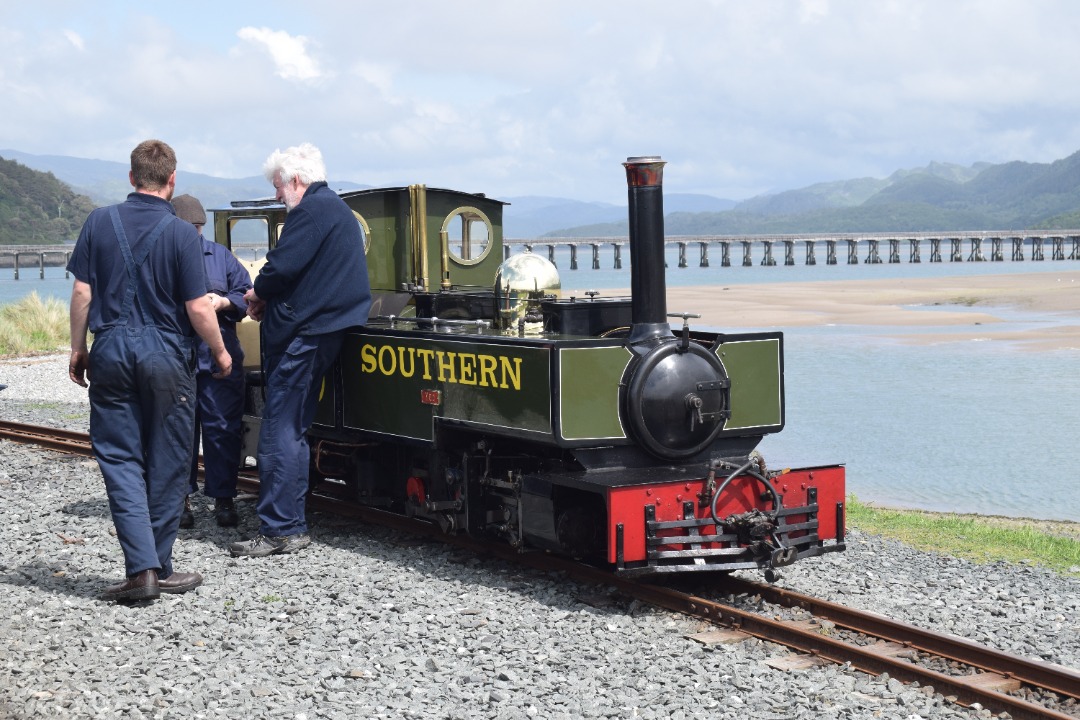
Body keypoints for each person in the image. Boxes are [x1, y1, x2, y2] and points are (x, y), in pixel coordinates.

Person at [68, 139, 233, 603]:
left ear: (131, 177)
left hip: (112, 350)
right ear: (172, 180)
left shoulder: (99, 222)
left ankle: (141, 570)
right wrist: (220, 353)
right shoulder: (183, 234)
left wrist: (78, 349)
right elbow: (199, 308)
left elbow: (82, 294)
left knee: (120, 459)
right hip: (166, 354)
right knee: (170, 460)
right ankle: (157, 566)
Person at [230, 143, 371, 558]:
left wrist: (256, 293)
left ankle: (281, 527)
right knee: (292, 428)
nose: (276, 195)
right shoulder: (333, 209)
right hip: (322, 329)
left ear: (295, 180)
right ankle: (286, 521)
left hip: (306, 334)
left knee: (279, 429)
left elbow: (281, 266)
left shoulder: (311, 210)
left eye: (278, 186)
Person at [171, 194, 251, 528]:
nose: (194, 232)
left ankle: (224, 499)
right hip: (178, 358)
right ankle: (181, 500)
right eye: (188, 227)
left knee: (223, 430)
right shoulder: (166, 257)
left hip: (221, 359)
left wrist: (224, 302)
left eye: (197, 227)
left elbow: (247, 293)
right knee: (179, 433)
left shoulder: (222, 257)